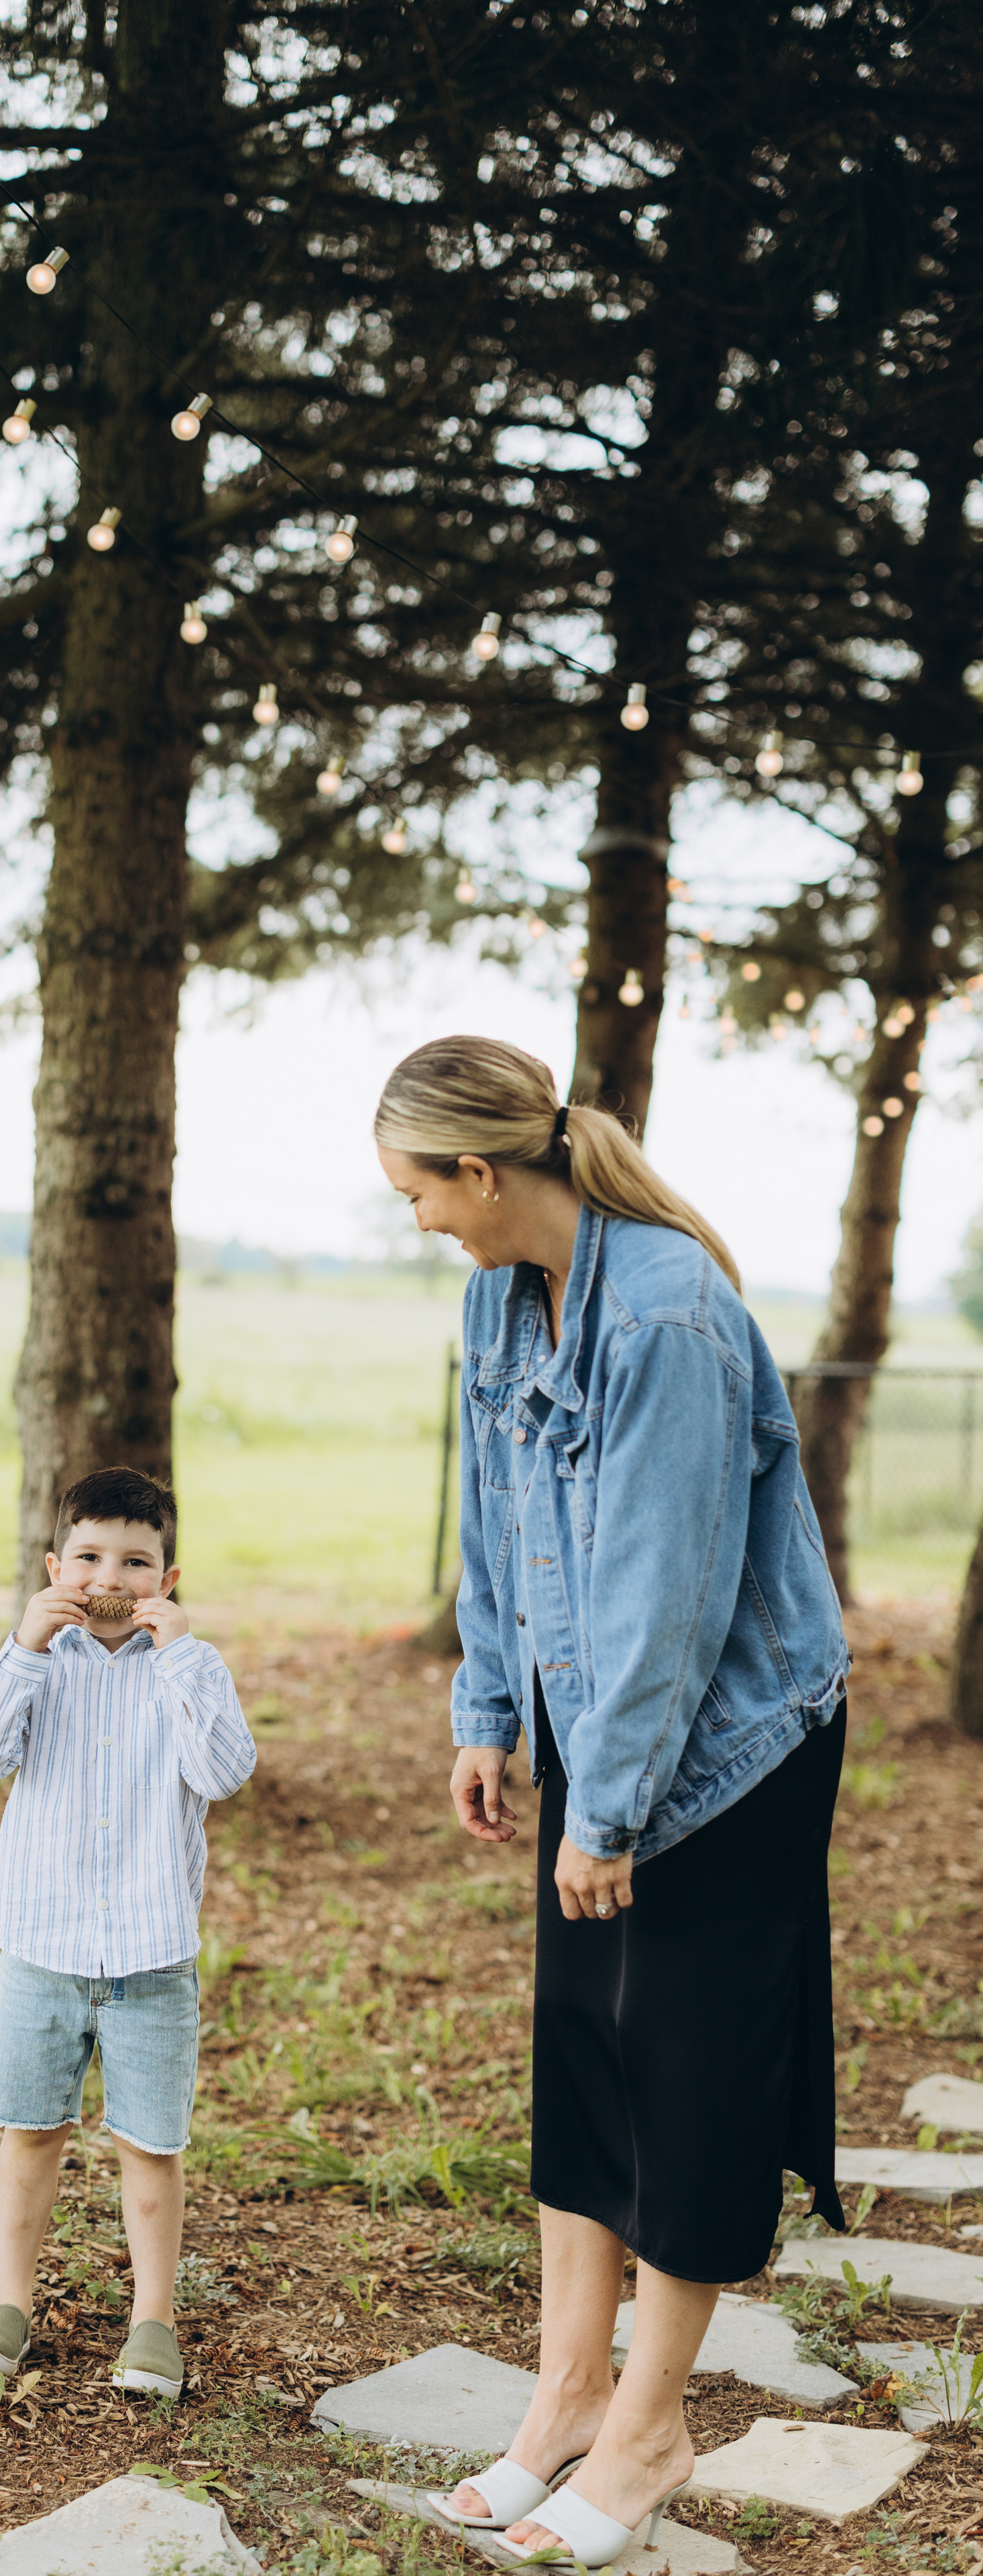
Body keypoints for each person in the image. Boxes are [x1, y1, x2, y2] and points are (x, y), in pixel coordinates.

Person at [375, 1036, 849, 2571]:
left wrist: (611, 1811)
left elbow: (665, 1601)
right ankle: (565, 2394)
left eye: (418, 1193)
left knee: (685, 2077)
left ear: (484, 1172)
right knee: (582, 2053)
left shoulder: (664, 1318)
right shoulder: (497, 1296)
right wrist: (489, 1716)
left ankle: (648, 2431)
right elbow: (503, 1534)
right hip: (603, 1727)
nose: (418, 1221)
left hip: (726, 1751)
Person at [0, 1465, 255, 2400]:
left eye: (135, 1560)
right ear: (54, 1567)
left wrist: (184, 1658)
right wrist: (24, 1649)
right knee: (30, 2133)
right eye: (88, 1557)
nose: (109, 1576)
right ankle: (10, 2302)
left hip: (152, 1956)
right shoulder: (29, 1665)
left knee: (150, 2146)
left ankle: (153, 2320)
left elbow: (225, 1769)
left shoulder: (188, 1672)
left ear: (166, 1580)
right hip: (44, 1949)